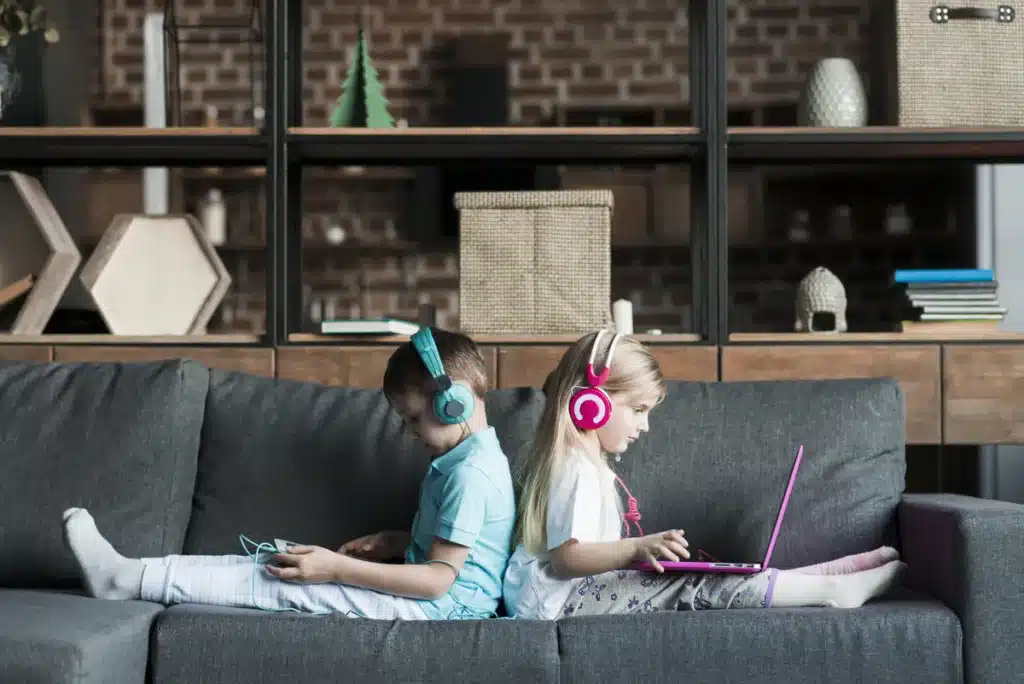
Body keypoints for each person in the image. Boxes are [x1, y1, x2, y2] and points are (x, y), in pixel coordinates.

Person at [61, 326, 516, 621]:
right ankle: (129, 575)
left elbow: (439, 580)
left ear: (450, 402)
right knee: (275, 564)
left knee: (285, 584)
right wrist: (400, 542)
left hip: (442, 611)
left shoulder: (470, 475)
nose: (409, 432)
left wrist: (338, 569)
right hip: (440, 602)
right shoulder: (466, 460)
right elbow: (455, 554)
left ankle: (128, 579)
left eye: (414, 419)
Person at [502, 329, 905, 619]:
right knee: (694, 587)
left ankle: (818, 578)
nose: (644, 427)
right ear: (592, 406)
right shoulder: (574, 469)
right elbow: (568, 558)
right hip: (553, 604)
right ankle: (832, 592)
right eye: (638, 410)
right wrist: (636, 549)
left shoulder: (585, 465)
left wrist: (636, 555)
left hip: (561, 596)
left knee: (704, 576)